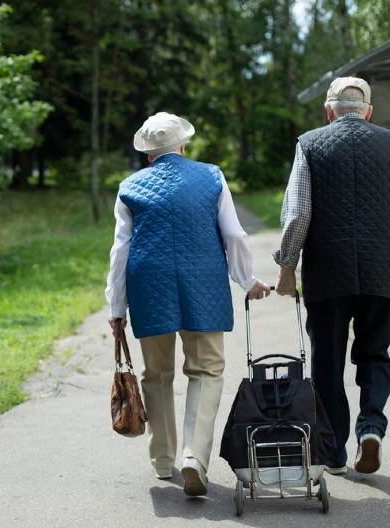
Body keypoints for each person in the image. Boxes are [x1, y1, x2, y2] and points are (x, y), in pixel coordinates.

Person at [106, 112, 271, 497]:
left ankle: (163, 460)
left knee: (156, 374)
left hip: (150, 284)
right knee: (207, 370)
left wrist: (116, 307)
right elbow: (233, 234)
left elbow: (121, 251)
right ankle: (194, 456)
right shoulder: (212, 176)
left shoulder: (130, 187)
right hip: (203, 285)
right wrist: (248, 281)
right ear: (184, 146)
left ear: (148, 155)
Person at [273, 77, 390, 476]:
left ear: (329, 110)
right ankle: (371, 427)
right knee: (375, 353)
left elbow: (298, 212)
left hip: (327, 273)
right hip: (381, 269)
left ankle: (334, 452)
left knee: (327, 363)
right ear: (369, 111)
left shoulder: (309, 144)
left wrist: (287, 265)